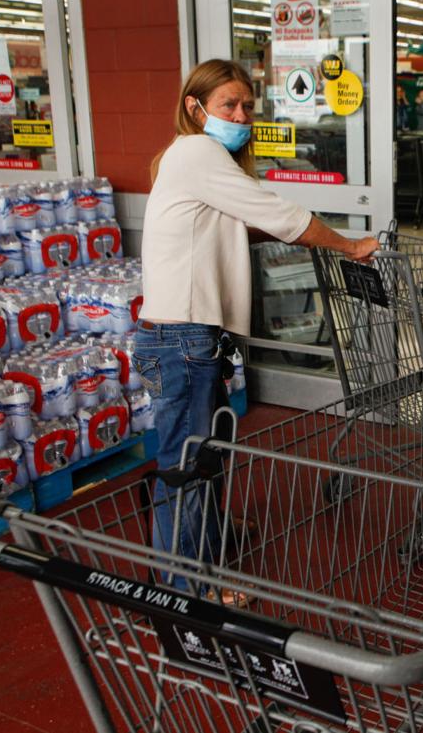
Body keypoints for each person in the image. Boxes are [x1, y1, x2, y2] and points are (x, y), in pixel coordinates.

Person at [136, 58, 379, 592]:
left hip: (186, 337)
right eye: (229, 105)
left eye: (247, 106)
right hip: (182, 338)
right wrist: (349, 245)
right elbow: (277, 212)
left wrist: (284, 236)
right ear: (195, 108)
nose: (241, 115)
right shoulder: (198, 151)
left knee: (203, 453)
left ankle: (207, 545)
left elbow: (228, 230)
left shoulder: (191, 159)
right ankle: (184, 593)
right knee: (187, 464)